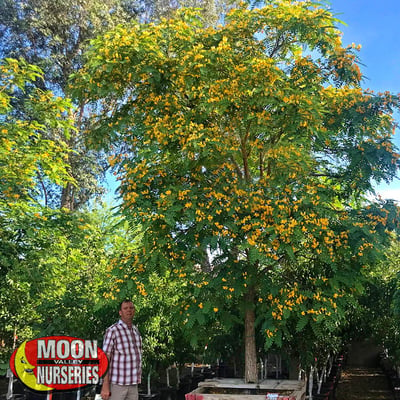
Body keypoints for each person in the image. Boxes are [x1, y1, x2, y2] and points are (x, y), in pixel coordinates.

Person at [101, 300, 142, 400]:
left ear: (134, 311)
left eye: (131, 308)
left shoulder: (135, 330)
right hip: (117, 385)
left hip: (133, 384)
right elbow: (105, 359)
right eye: (125, 308)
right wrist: (105, 386)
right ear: (120, 312)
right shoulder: (113, 331)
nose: (129, 310)